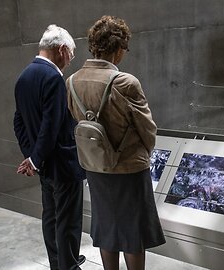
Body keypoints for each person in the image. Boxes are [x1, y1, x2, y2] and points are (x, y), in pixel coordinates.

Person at [67, 16, 165, 270]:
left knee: (106, 226)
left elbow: (74, 118)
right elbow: (147, 128)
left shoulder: (73, 81)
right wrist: (146, 151)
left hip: (96, 166)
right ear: (119, 49)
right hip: (129, 167)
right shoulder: (125, 83)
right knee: (133, 233)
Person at [13, 24, 86, 270]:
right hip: (63, 164)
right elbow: (51, 125)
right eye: (71, 54)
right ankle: (69, 266)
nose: (70, 60)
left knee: (51, 217)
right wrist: (34, 158)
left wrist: (32, 157)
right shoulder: (54, 78)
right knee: (69, 221)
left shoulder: (24, 76)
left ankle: (60, 263)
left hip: (44, 166)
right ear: (62, 50)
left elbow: (19, 122)